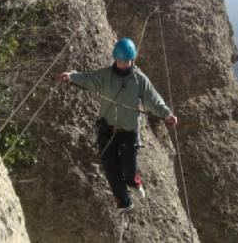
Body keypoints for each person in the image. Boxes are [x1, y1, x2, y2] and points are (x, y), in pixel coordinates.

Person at [58, 38, 177, 217]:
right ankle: (124, 202)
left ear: (132, 60)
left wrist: (166, 114)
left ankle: (134, 182)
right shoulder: (105, 75)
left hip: (128, 133)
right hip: (107, 131)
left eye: (125, 61)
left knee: (129, 169)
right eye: (119, 60)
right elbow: (88, 78)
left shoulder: (139, 80)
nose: (121, 64)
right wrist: (71, 76)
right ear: (115, 59)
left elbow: (153, 99)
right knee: (110, 167)